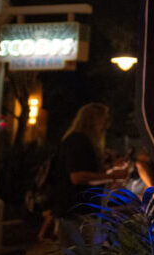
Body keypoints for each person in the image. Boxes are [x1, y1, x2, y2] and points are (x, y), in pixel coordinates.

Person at [53, 103, 129, 240]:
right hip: (76, 212)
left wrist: (111, 166)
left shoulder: (80, 141)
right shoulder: (78, 141)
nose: (107, 124)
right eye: (104, 120)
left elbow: (86, 170)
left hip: (81, 211)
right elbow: (78, 177)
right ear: (93, 120)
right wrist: (112, 176)